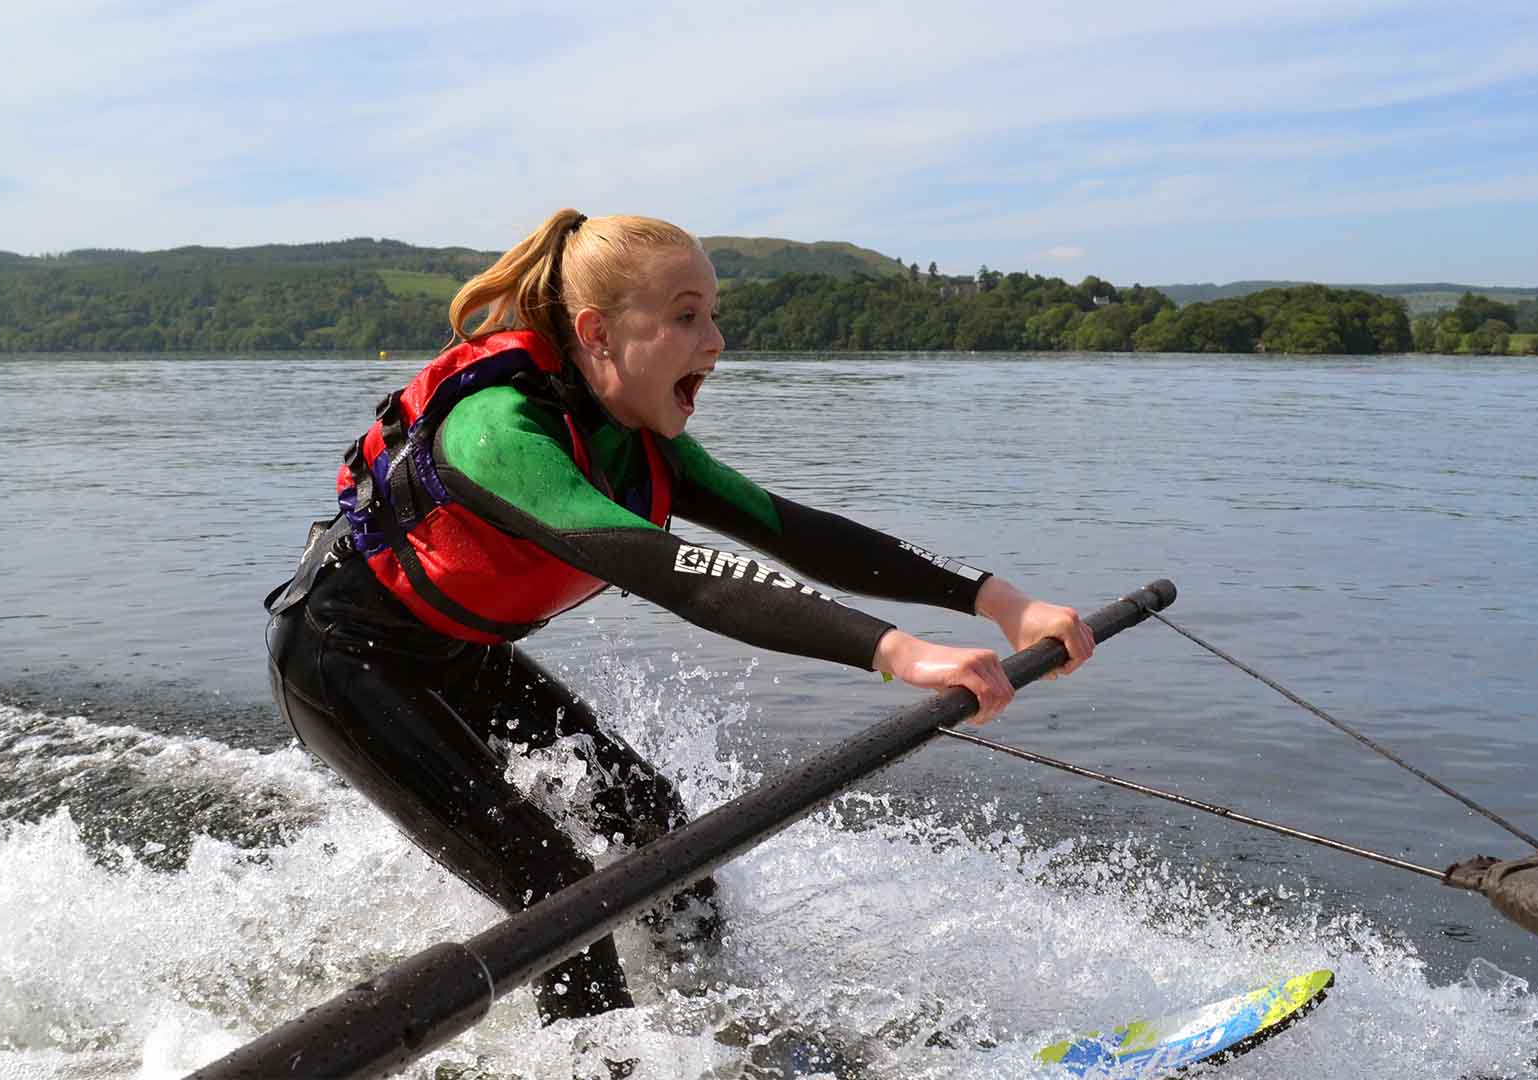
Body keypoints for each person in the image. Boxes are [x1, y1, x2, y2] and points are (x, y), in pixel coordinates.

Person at [263, 208, 1095, 1025]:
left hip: (461, 652)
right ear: (598, 332)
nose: (716, 342)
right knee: (559, 895)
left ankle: (715, 1028)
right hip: (343, 660)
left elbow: (797, 531)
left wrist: (1001, 601)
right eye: (686, 317)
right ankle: (604, 1062)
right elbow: (687, 579)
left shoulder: (638, 437)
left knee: (662, 837)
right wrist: (899, 653)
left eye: (715, 317)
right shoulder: (496, 435)